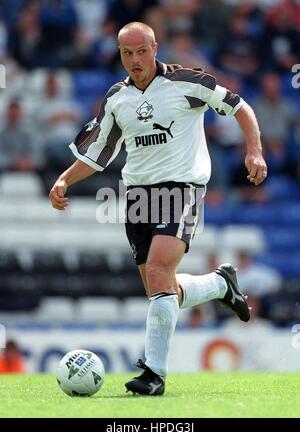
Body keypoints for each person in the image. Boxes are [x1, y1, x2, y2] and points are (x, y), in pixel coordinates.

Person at [49, 22, 267, 396]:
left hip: (182, 189)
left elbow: (240, 107)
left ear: (155, 48)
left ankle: (154, 374)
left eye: (141, 51)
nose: (135, 60)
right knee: (160, 289)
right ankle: (219, 284)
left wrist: (254, 150)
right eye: (126, 53)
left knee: (157, 270)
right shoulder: (116, 97)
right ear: (120, 54)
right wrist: (65, 179)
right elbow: (101, 152)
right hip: (138, 198)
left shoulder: (189, 82)